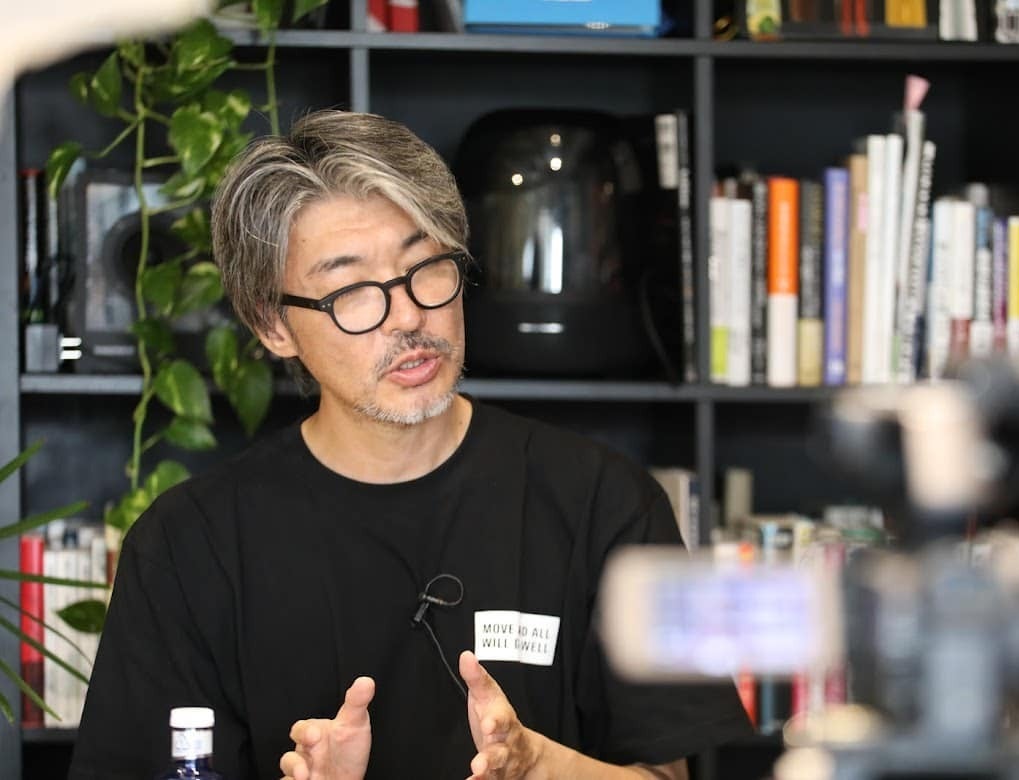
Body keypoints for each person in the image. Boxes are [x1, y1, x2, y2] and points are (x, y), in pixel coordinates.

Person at [69, 110, 753, 780]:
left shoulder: (608, 504)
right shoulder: (188, 547)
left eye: (425, 267)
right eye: (351, 290)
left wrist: (541, 768)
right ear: (274, 326)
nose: (408, 316)